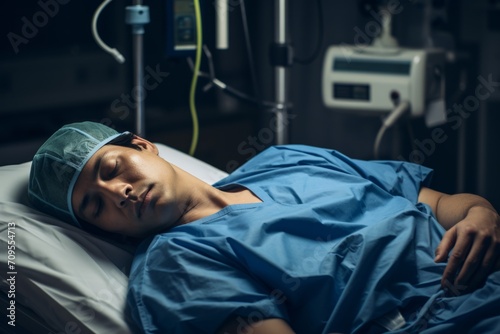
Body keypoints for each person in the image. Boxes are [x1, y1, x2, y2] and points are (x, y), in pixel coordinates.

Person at [28, 121, 500, 334]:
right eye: (95, 205)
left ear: (142, 145)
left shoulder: (287, 160)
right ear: (104, 230)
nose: (118, 193)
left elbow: (439, 202)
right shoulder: (175, 264)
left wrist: (482, 217)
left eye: (112, 168)